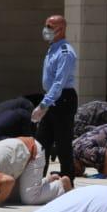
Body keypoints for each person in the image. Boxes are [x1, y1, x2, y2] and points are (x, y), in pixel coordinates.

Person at [33, 14, 78, 179]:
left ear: (61, 29)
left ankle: (68, 179)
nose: (46, 30)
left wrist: (43, 105)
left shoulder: (65, 52)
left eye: (50, 27)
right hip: (52, 98)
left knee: (62, 142)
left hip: (63, 99)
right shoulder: (53, 48)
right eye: (46, 25)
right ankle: (37, 179)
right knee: (41, 142)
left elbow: (59, 83)